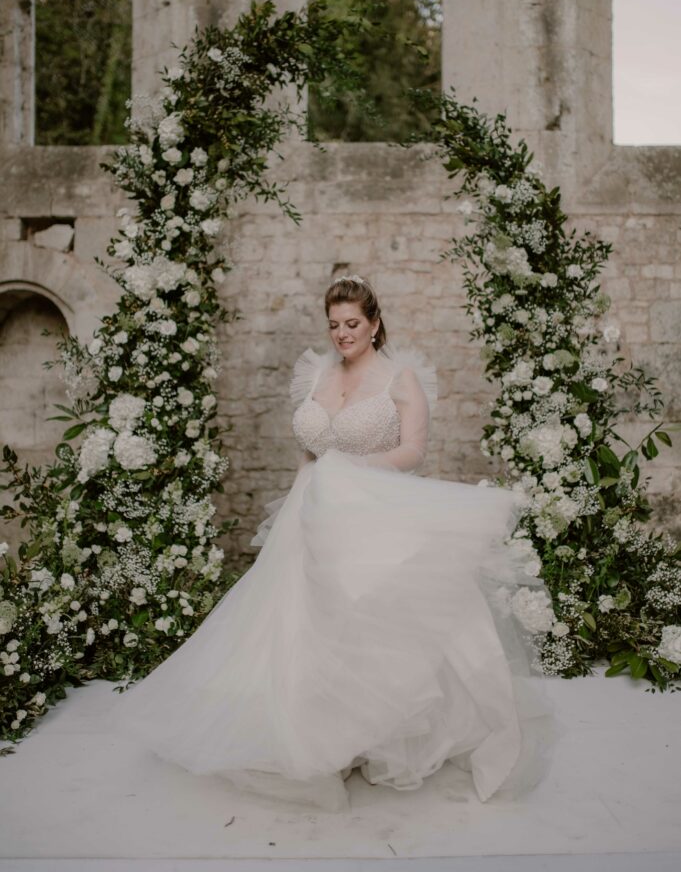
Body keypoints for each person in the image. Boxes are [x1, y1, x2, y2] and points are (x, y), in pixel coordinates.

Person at [105, 274, 554, 812]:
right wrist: (296, 505)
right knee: (299, 628)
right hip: (310, 515)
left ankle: (369, 733)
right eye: (335, 324)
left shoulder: (400, 379)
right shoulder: (316, 374)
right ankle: (314, 738)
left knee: (364, 627)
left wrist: (350, 468)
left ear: (375, 324)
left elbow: (413, 451)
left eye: (353, 324)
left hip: (371, 515)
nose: (343, 334)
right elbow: (309, 452)